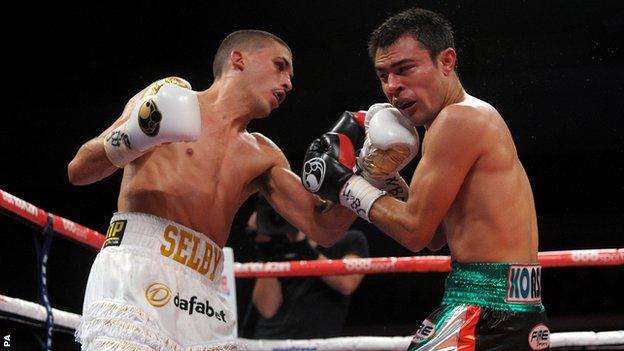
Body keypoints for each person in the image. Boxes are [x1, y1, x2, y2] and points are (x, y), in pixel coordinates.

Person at [67, 30, 355, 350]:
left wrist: (365, 174)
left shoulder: (263, 153)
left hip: (205, 290)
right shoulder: (169, 96)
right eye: (279, 66)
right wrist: (138, 134)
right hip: (138, 265)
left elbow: (324, 228)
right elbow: (79, 171)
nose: (288, 82)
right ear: (238, 59)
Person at [301, 8, 550, 351]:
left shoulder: (457, 120)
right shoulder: (463, 119)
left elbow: (414, 232)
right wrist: (386, 176)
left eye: (404, 69)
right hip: (510, 306)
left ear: (446, 61)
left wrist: (346, 184)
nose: (392, 86)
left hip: (484, 308)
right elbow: (434, 236)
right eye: (383, 75)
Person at [245, 195, 368, 339]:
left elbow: (346, 283)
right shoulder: (279, 246)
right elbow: (267, 309)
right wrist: (266, 250)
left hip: (319, 344)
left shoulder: (351, 240)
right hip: (270, 342)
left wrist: (304, 248)